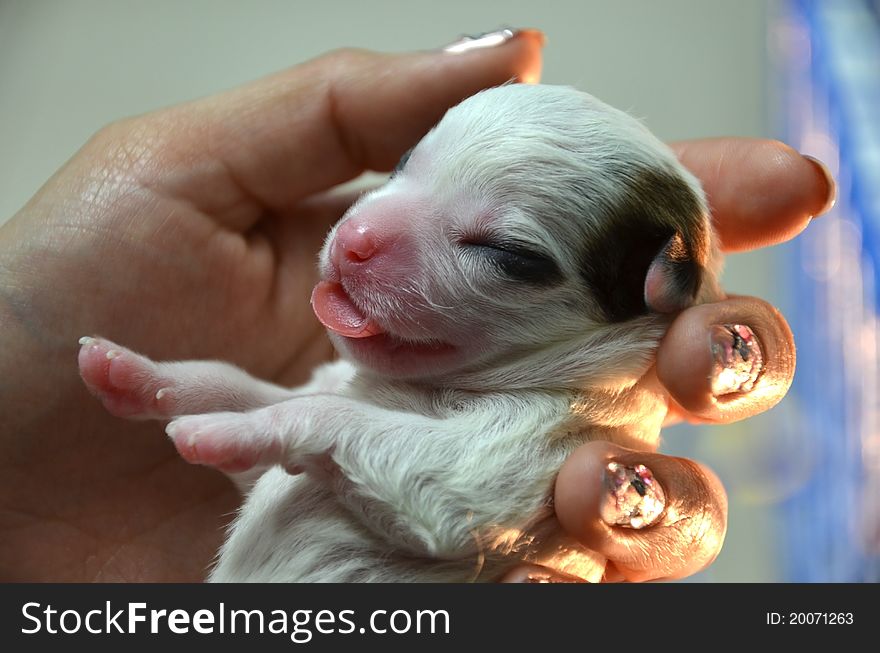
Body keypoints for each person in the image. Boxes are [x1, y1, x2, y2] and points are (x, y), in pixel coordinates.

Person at [0, 29, 835, 582]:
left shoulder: (563, 442)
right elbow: (300, 438)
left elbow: (443, 504)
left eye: (497, 251)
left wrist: (299, 427)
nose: (363, 235)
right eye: (409, 167)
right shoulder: (432, 381)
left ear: (648, 304)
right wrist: (178, 391)